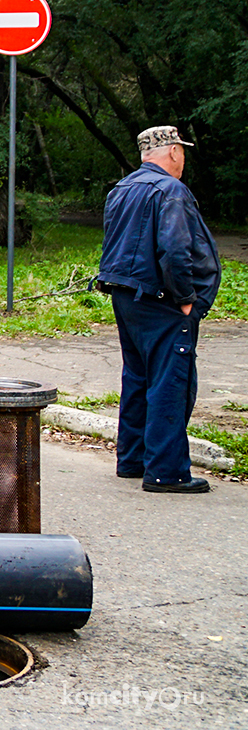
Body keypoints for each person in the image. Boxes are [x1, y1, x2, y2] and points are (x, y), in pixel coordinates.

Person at [98, 125, 220, 494]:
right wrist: (186, 298)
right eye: (181, 151)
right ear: (172, 152)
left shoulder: (122, 189)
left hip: (127, 297)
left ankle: (132, 459)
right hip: (163, 301)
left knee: (137, 379)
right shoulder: (171, 191)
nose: (183, 158)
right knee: (171, 383)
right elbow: (175, 250)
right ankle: (167, 472)